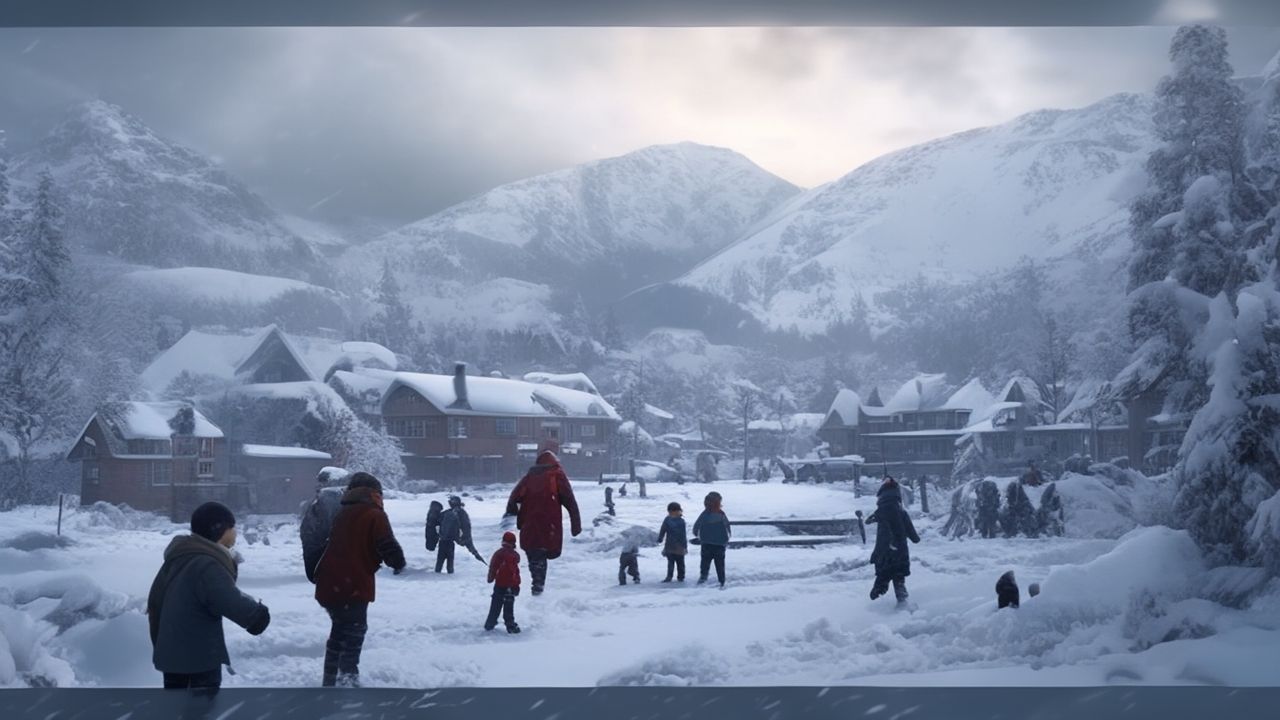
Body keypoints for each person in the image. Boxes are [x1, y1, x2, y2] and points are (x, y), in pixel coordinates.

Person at [148, 501, 270, 690]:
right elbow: (227, 599)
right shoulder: (205, 564)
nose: (235, 532)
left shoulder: (184, 555)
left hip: (174, 653)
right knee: (200, 711)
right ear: (219, 530)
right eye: (232, 527)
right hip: (195, 659)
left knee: (176, 710)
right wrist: (257, 616)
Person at [313, 472, 406, 687]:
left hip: (329, 581)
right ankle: (348, 679)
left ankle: (330, 679)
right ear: (374, 493)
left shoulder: (343, 512)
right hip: (351, 583)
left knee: (339, 631)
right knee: (354, 632)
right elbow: (386, 544)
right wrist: (398, 562)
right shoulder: (373, 514)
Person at [505, 450, 582, 596]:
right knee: (541, 553)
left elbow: (514, 498)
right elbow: (570, 500)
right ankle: (538, 587)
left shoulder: (529, 477)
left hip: (529, 526)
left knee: (534, 554)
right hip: (549, 526)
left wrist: (514, 514)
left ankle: (537, 583)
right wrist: (575, 525)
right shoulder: (556, 475)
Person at [866, 477, 920, 606]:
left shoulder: (881, 511)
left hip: (884, 553)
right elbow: (911, 533)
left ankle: (876, 603)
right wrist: (914, 538)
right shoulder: (901, 512)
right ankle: (902, 604)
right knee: (898, 579)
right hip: (900, 552)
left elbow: (868, 520)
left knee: (883, 576)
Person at [300, 468, 348, 582]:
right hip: (337, 563)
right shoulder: (339, 500)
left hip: (321, 558)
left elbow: (310, 531)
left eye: (320, 482)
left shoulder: (322, 500)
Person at [484, 531, 521, 634]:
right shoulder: (514, 555)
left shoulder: (499, 553)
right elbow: (516, 573)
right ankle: (511, 626)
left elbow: (493, 567)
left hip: (499, 585)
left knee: (495, 606)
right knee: (509, 608)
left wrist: (490, 578)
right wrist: (516, 586)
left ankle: (490, 624)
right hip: (511, 586)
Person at [693, 491, 731, 588]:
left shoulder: (705, 514)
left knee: (705, 562)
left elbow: (697, 525)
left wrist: (696, 532)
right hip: (719, 543)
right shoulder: (721, 514)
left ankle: (703, 577)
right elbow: (727, 526)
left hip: (707, 543)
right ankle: (721, 580)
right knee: (719, 563)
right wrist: (728, 536)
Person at [436, 495, 474, 574]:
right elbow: (465, 528)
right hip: (448, 541)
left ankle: (441, 574)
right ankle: (446, 574)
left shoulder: (450, 513)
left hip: (445, 541)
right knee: (447, 562)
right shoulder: (458, 513)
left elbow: (438, 520)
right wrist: (461, 540)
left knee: (442, 562)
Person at [657, 502, 688, 582]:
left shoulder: (681, 521)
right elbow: (663, 529)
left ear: (678, 511)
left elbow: (683, 535)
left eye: (672, 511)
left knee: (680, 562)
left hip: (679, 546)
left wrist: (685, 546)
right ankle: (669, 577)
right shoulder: (667, 519)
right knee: (670, 562)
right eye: (669, 512)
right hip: (670, 545)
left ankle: (681, 577)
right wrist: (660, 538)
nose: (670, 513)